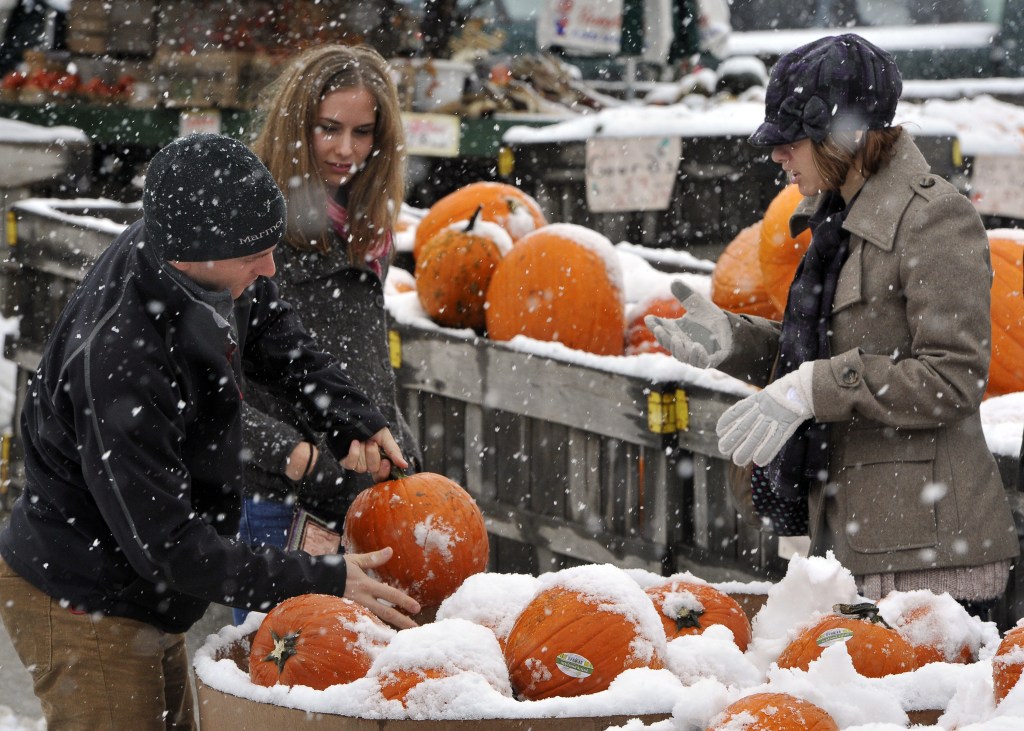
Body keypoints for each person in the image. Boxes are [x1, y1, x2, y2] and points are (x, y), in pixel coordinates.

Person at [0, 133, 421, 730]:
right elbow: (170, 547)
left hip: (141, 583)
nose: (270, 268)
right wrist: (322, 577)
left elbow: (273, 325)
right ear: (195, 251)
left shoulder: (201, 263)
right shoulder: (122, 363)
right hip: (83, 592)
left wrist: (348, 413)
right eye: (255, 255)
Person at [648, 34, 1019, 617]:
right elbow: (822, 351)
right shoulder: (836, 226)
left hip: (927, 562)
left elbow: (952, 378)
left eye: (791, 141)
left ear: (845, 135)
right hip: (858, 543)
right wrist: (734, 342)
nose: (778, 156)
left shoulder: (935, 219)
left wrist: (812, 388)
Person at [232, 44, 422, 624]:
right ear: (297, 126)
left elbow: (362, 362)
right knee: (288, 667)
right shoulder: (256, 232)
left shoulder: (368, 229)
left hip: (363, 496)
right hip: (278, 501)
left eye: (363, 133)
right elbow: (226, 381)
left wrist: (397, 440)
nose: (346, 150)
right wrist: (297, 456)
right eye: (328, 129)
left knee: (357, 679)